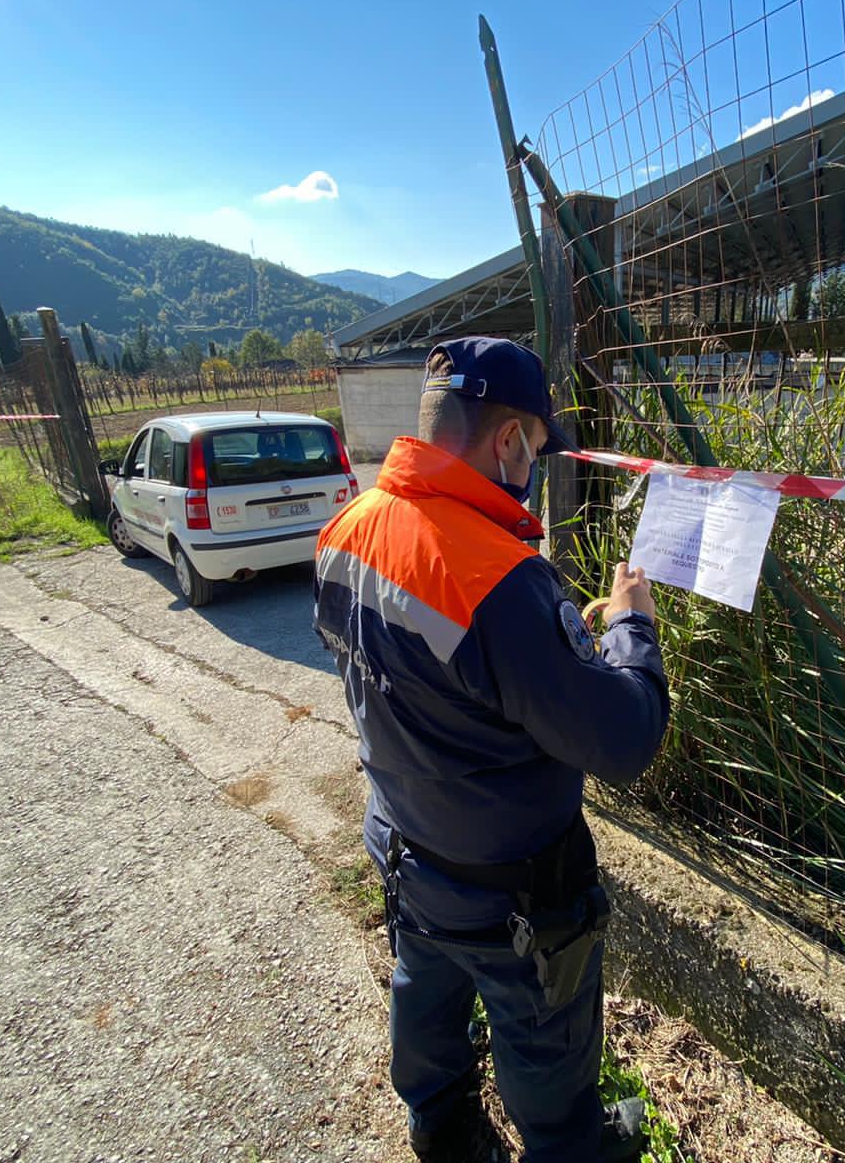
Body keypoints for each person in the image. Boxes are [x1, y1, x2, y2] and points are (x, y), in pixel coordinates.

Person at [313, 336, 670, 1162]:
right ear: (509, 441)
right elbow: (624, 740)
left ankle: (436, 1122)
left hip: (406, 847)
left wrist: (539, 665)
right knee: (545, 1043)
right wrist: (631, 626)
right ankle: (563, 1145)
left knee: (424, 988)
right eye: (537, 450)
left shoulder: (347, 527)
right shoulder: (501, 579)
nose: (534, 467)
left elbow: (410, 669)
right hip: (510, 892)